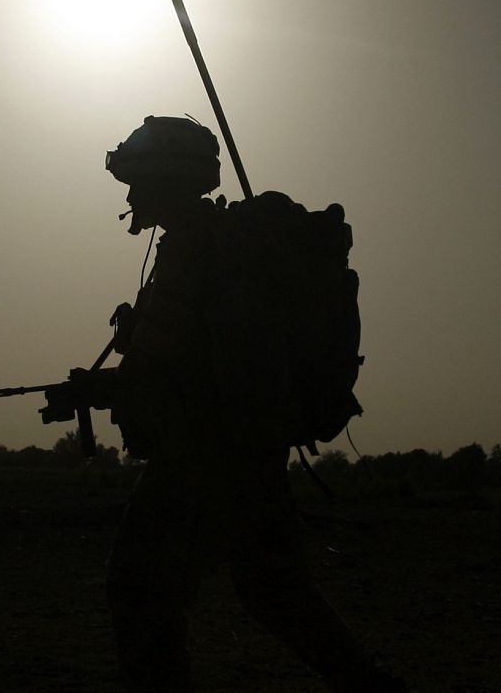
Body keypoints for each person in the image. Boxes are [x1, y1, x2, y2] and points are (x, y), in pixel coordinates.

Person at [94, 115, 405, 693]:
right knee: (276, 592)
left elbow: (166, 364)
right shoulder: (223, 246)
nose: (132, 195)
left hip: (200, 461)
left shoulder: (192, 252)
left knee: (140, 591)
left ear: (167, 182)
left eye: (138, 182)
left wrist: (100, 386)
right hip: (249, 457)